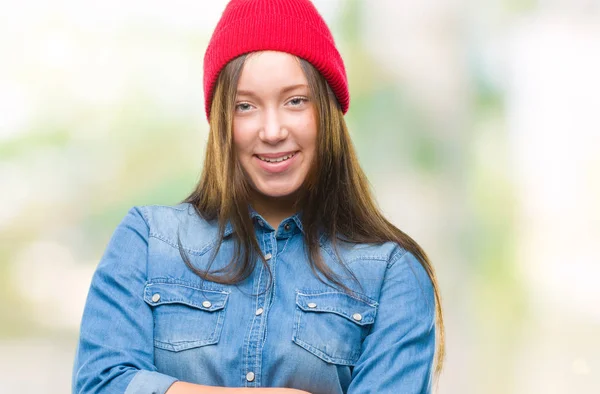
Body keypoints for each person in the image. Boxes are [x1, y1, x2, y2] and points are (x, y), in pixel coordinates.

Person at [72, 0, 445, 393]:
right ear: (221, 121)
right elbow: (102, 383)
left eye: (295, 101)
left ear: (328, 111)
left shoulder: (393, 273)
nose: (271, 130)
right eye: (245, 106)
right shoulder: (149, 239)